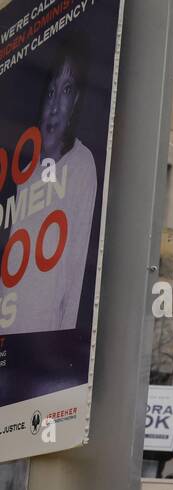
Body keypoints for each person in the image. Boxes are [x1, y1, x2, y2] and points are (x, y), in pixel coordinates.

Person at [5, 45, 98, 336]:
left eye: (66, 90)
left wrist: (62, 343)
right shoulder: (25, 168)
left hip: (45, 338)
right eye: (50, 93)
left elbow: (77, 266)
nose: (55, 105)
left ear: (77, 101)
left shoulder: (82, 165)